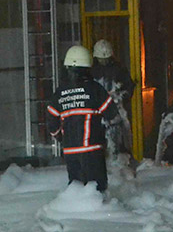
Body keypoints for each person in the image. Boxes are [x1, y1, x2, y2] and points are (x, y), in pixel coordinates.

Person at [46, 45, 122, 192]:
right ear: (88, 67)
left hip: (70, 152)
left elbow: (52, 123)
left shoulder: (59, 93)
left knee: (76, 190)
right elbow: (112, 115)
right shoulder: (95, 89)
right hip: (93, 150)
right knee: (97, 192)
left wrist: (62, 138)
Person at [91, 39, 135, 155]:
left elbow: (129, 86)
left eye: (106, 59)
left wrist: (122, 97)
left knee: (121, 140)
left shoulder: (119, 69)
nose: (104, 61)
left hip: (116, 111)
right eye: (101, 59)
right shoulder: (91, 71)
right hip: (96, 113)